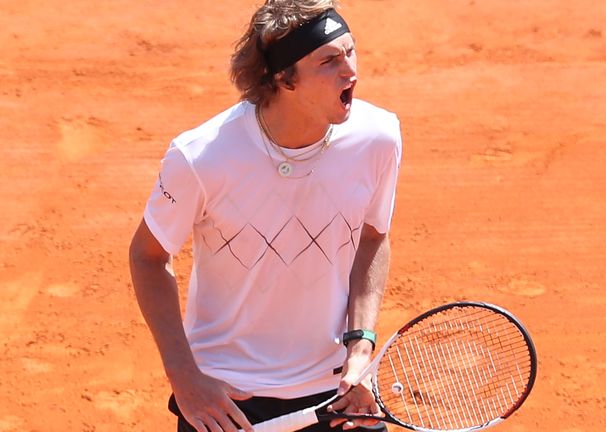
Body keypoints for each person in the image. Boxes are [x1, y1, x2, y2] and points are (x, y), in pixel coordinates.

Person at [128, 1, 402, 431]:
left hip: (337, 395)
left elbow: (372, 236)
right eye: (329, 61)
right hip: (230, 401)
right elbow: (148, 257)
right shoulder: (202, 157)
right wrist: (186, 380)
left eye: (350, 52)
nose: (350, 71)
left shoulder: (378, 138)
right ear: (283, 78)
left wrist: (361, 348)